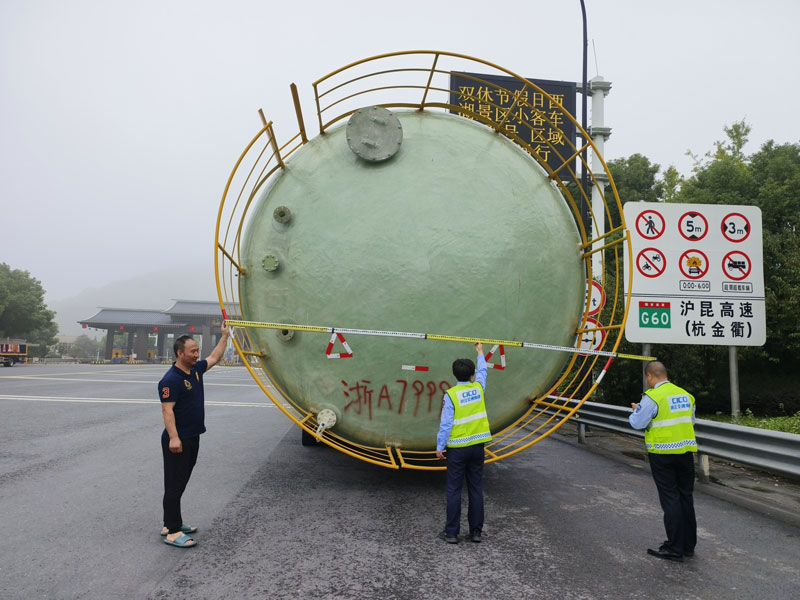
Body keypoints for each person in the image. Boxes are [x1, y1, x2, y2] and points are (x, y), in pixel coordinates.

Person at [158, 323, 231, 548]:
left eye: (197, 350)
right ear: (180, 353)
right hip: (178, 439)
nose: (197, 354)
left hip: (192, 436)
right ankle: (172, 531)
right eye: (192, 351)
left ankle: (171, 522)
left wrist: (225, 336)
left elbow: (215, 357)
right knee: (174, 483)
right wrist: (174, 437)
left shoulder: (196, 370)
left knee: (181, 481)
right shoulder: (171, 379)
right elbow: (167, 410)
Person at [629, 360, 697, 562]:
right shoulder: (686, 395)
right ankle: (688, 546)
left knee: (670, 499)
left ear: (649, 376)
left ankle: (673, 548)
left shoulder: (652, 397)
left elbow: (637, 423)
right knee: (686, 498)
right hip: (686, 453)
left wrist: (637, 409)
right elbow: (690, 421)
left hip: (662, 454)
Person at [436, 342, 492, 544]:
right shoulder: (478, 388)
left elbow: (446, 423)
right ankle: (476, 532)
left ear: (455, 375)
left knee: (454, 490)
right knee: (476, 488)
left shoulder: (451, 394)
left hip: (457, 448)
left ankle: (451, 533)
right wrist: (480, 352)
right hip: (478, 447)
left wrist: (440, 447)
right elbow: (484, 371)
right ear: (472, 375)